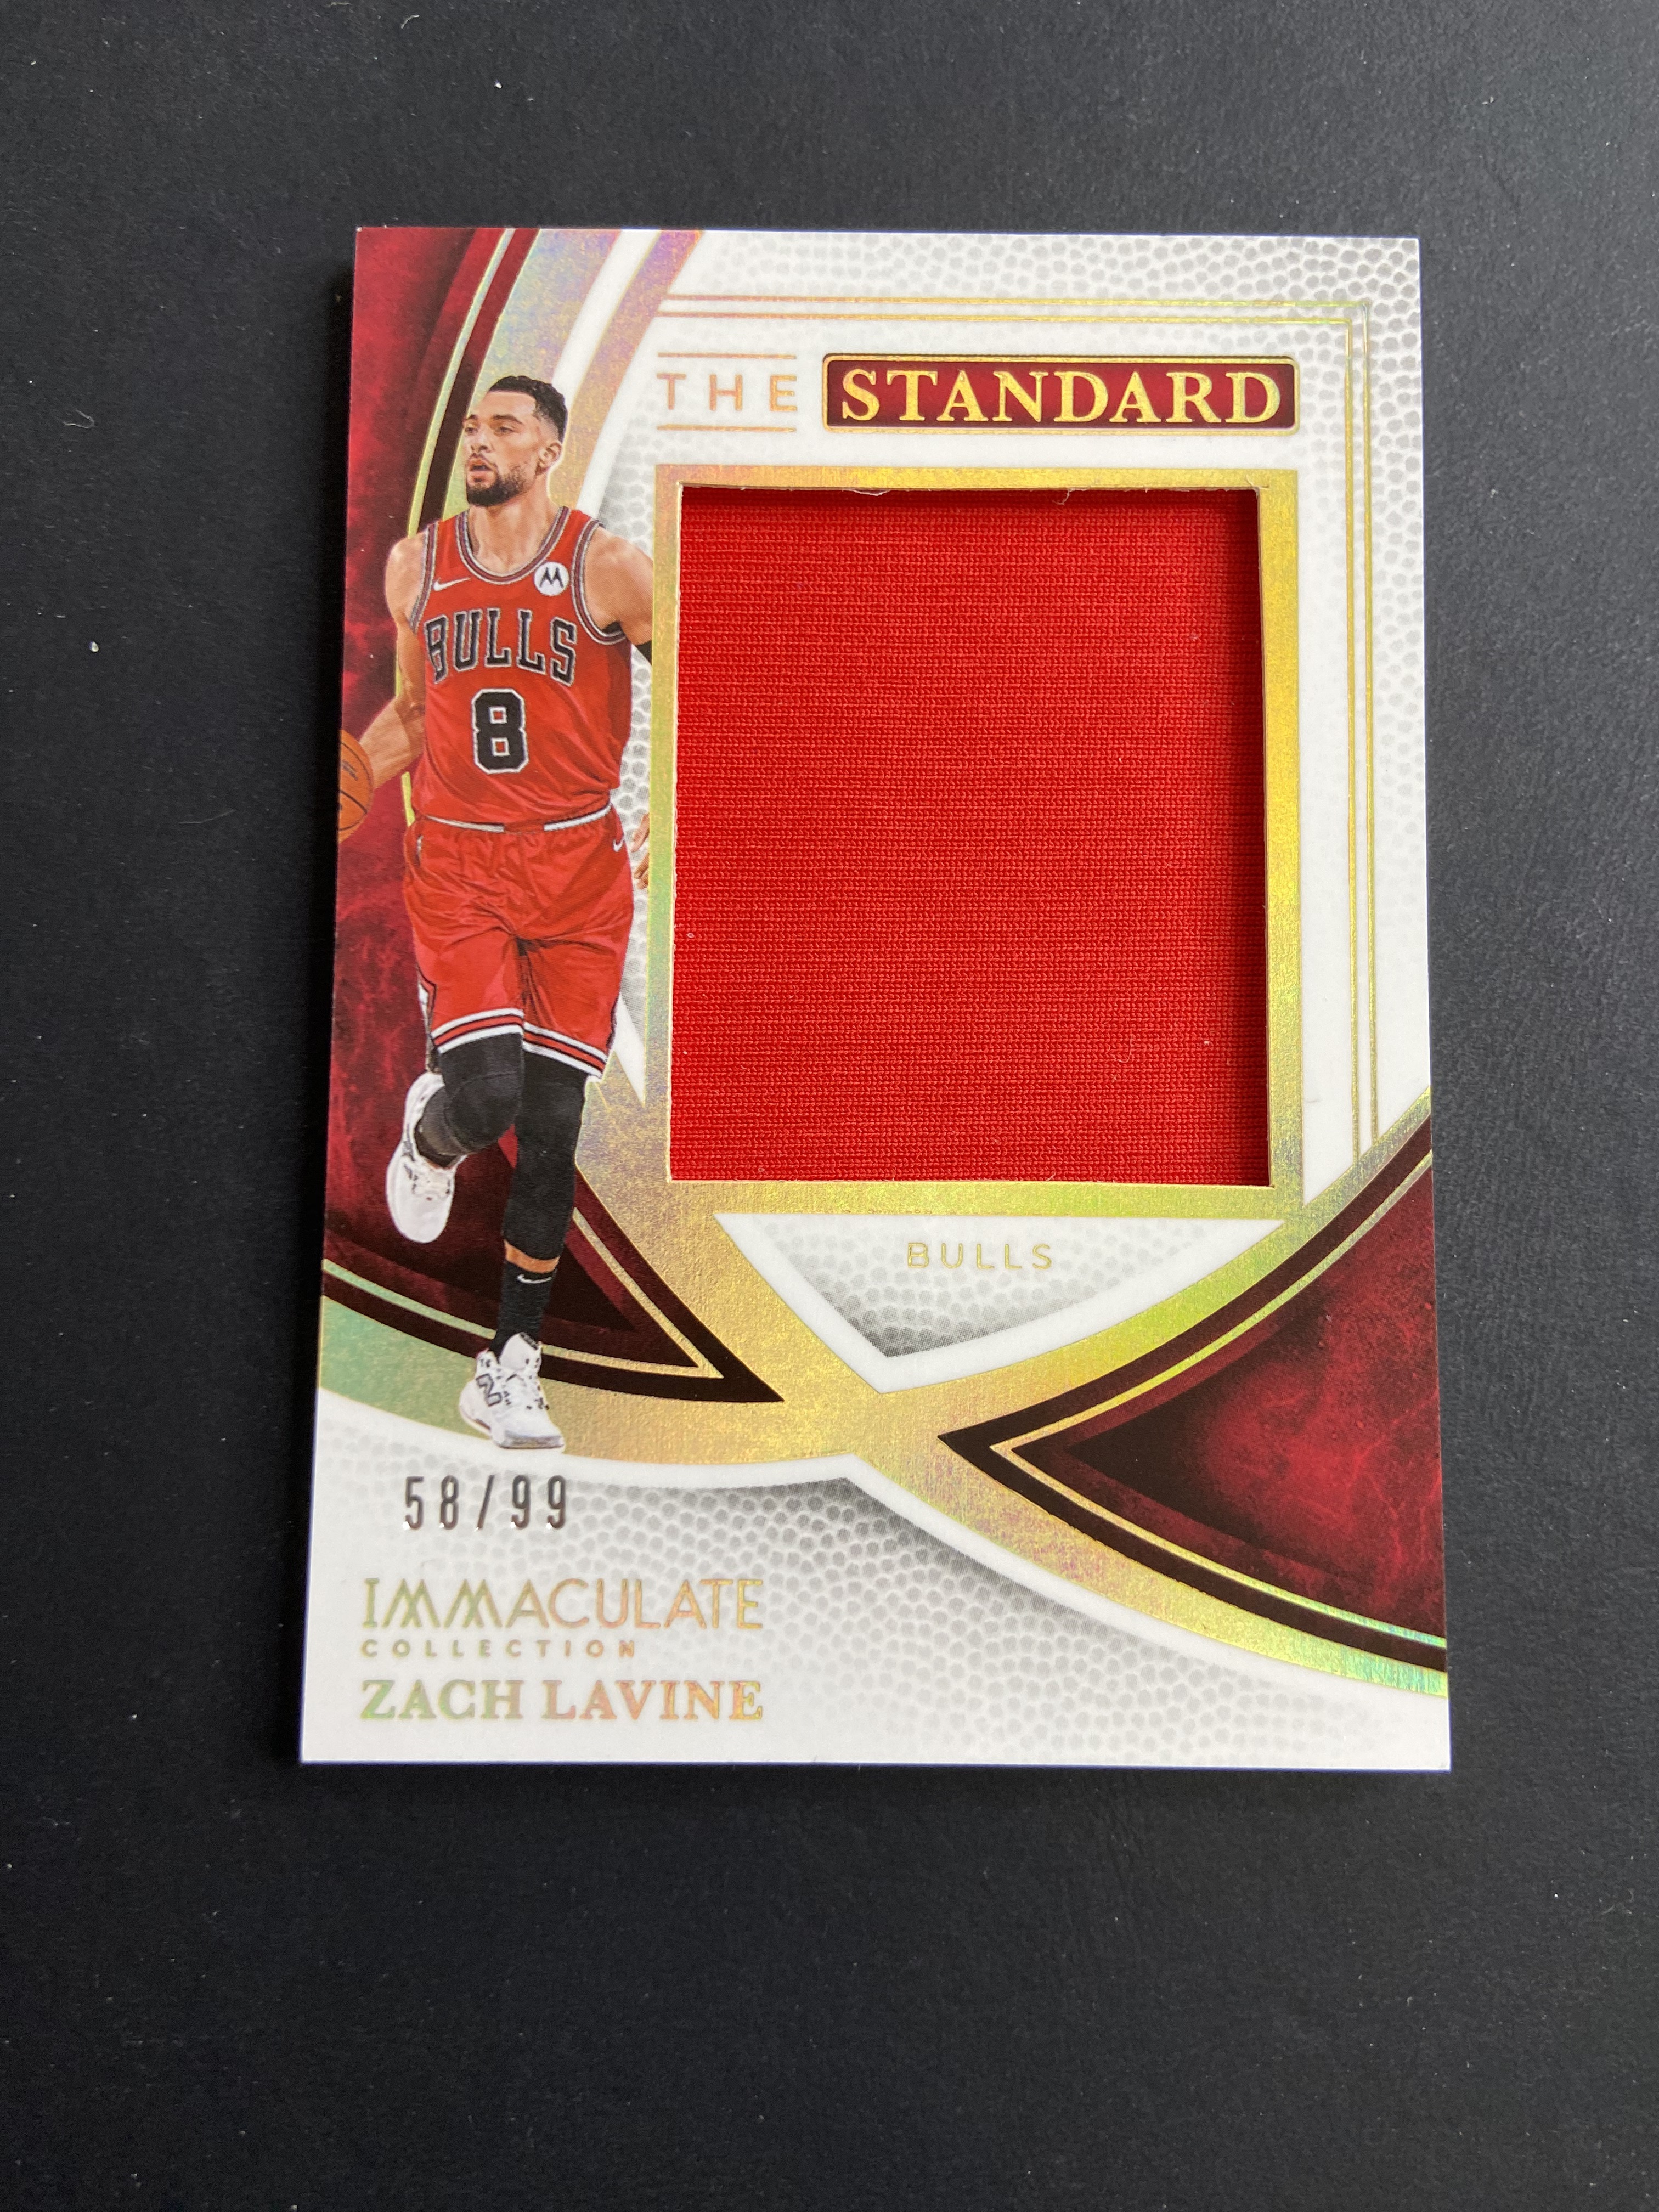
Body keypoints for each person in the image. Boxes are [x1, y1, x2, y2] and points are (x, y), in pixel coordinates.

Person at [345, 375, 651, 1449]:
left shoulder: (608, 565)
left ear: (549, 451)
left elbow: (717, 675)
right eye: (472, 426)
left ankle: (511, 1364)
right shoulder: (416, 565)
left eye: (505, 428)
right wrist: (353, 778)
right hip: (464, 863)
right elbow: (415, 713)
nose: (479, 441)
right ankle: (433, 1139)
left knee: (556, 1128)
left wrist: (674, 804)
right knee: (489, 1093)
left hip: (579, 870)